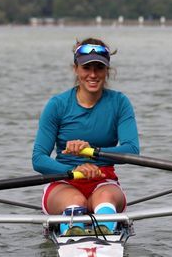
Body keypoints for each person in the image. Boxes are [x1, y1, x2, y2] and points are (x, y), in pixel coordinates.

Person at [32, 38, 140, 235]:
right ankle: (75, 233)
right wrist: (74, 169)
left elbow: (132, 150)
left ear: (107, 70)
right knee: (76, 201)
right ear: (76, 69)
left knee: (106, 196)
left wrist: (91, 152)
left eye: (99, 67)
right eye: (86, 67)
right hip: (63, 179)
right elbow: (38, 159)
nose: (92, 74)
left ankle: (105, 232)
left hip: (103, 180)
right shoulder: (57, 105)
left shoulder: (120, 103)